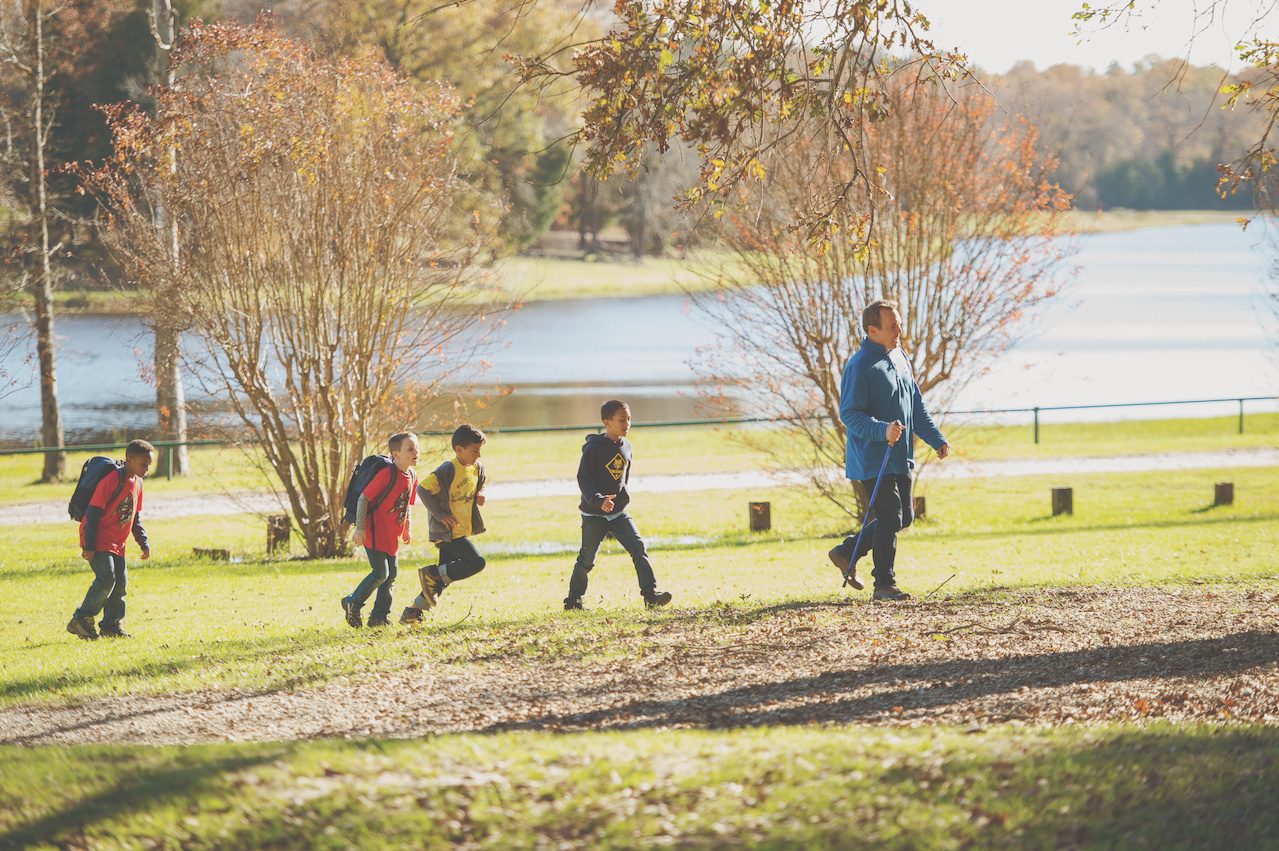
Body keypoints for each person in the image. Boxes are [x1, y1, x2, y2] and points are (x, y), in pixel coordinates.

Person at [828, 300, 951, 601]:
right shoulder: (859, 366)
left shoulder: (899, 357)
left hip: (899, 455)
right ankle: (883, 584)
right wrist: (881, 429)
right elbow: (850, 414)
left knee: (903, 517)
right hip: (872, 458)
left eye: (898, 323)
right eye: (893, 326)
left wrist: (936, 439)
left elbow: (915, 407)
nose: (900, 330)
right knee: (888, 516)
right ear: (872, 330)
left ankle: (846, 552)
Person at [563, 400, 672, 611]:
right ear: (607, 422)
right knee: (587, 559)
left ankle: (650, 596)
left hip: (619, 512)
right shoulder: (593, 449)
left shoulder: (627, 446)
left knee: (638, 548)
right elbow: (583, 479)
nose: (627, 423)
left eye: (629, 419)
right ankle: (574, 601)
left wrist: (619, 500)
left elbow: (623, 478)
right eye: (622, 420)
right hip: (594, 514)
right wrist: (599, 500)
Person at [401, 424, 489, 623]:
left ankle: (413, 613)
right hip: (447, 532)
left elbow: (480, 486)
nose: (479, 455)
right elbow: (422, 490)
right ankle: (430, 573)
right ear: (459, 450)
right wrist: (440, 515)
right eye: (474, 450)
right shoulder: (448, 469)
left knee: (440, 582)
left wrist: (481, 495)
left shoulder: (477, 469)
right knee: (476, 562)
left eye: (480, 450)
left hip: (460, 530)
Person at [67, 439, 154, 639]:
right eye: (143, 464)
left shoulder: (138, 483)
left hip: (117, 543)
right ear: (129, 459)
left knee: (120, 583)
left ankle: (111, 625)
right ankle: (81, 619)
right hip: (97, 538)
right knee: (107, 579)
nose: (147, 469)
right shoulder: (114, 479)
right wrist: (89, 545)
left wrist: (143, 541)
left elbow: (134, 516)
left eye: (149, 465)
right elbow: (93, 513)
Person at [341, 432, 419, 628]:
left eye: (417, 448)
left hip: (391, 535)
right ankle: (353, 602)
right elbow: (363, 499)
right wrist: (359, 529)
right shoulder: (387, 474)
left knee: (391, 575)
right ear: (396, 454)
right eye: (410, 449)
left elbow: (407, 504)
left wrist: (407, 528)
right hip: (373, 530)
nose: (416, 452)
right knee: (380, 573)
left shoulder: (412, 476)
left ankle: (379, 617)